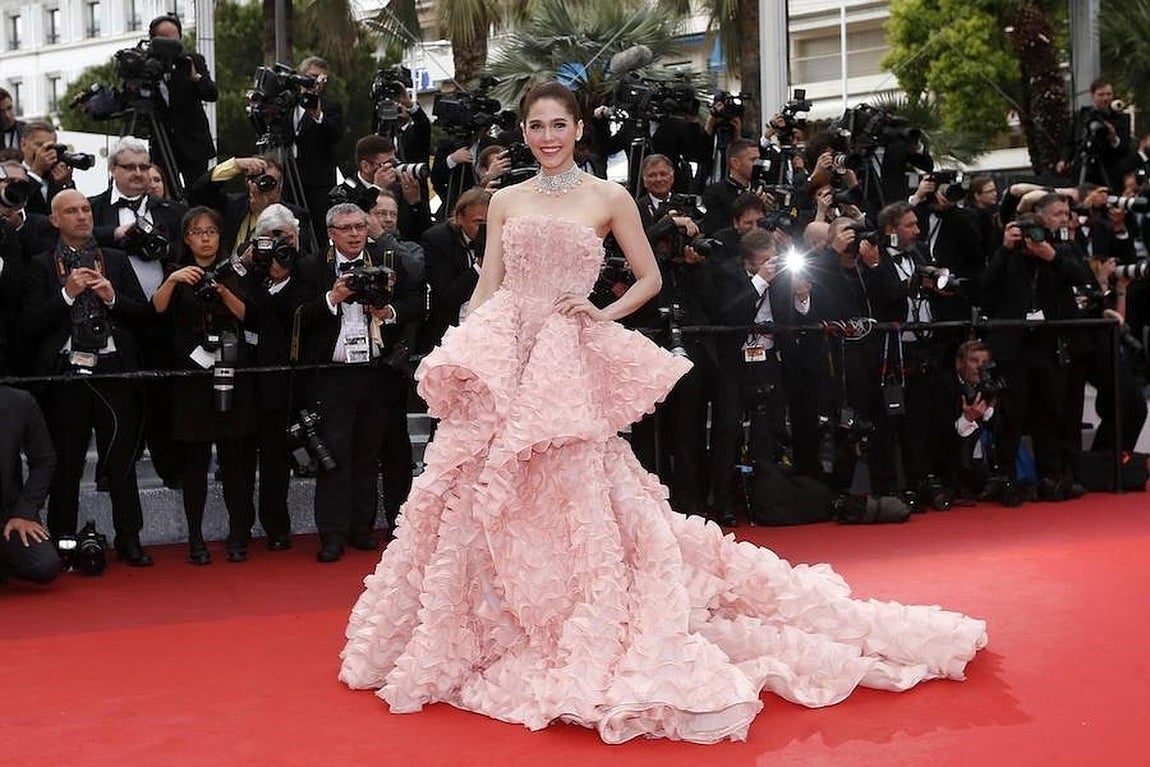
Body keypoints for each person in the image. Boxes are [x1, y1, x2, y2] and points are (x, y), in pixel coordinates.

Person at [338, 81, 987, 745]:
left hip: (565, 363)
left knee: (579, 492)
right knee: (481, 491)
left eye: (558, 123)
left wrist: (600, 312)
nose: (547, 136)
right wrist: (469, 344)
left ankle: (578, 615)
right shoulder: (504, 198)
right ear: (524, 132)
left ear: (579, 127)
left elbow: (647, 277)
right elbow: (489, 284)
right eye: (536, 125)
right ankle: (494, 619)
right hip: (510, 355)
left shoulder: (609, 197)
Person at [23, 190, 153, 567]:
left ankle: (129, 538)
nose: (82, 216)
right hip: (66, 375)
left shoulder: (113, 259)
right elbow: (28, 327)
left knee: (122, 460)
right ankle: (63, 542)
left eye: (84, 209)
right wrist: (67, 294)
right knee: (66, 464)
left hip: (113, 369)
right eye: (71, 211)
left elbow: (142, 317)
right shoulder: (39, 265)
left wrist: (112, 298)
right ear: (54, 220)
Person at [151, 207, 258, 564]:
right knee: (195, 463)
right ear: (186, 238)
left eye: (211, 231)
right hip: (192, 378)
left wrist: (223, 291)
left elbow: (249, 316)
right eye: (198, 232)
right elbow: (158, 311)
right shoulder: (178, 273)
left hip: (231, 372)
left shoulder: (235, 272)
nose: (206, 238)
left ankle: (238, 535)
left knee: (235, 461)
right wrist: (174, 280)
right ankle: (195, 539)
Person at [148, 15, 219, 191]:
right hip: (163, 144)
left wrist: (196, 77)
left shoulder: (191, 61)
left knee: (199, 193)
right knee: (166, 193)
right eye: (163, 38)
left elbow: (211, 94)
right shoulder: (147, 66)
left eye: (174, 38)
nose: (169, 43)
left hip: (193, 144)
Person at [0, 385, 60, 586]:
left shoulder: (20, 401)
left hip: (7, 512)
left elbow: (44, 460)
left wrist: (24, 512)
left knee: (45, 565)